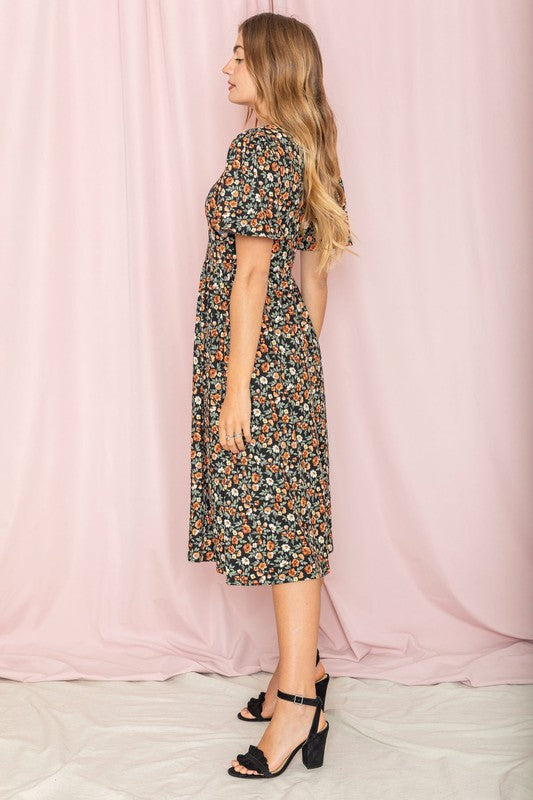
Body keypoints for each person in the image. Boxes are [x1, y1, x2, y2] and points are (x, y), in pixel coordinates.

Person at [187, 11, 355, 779]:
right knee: (289, 524)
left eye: (237, 57)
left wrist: (239, 387)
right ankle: (306, 674)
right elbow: (314, 275)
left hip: (256, 366)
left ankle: (294, 705)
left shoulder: (257, 148)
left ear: (271, 68)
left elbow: (254, 275)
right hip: (288, 360)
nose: (227, 68)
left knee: (284, 538)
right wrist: (295, 365)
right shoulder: (305, 146)